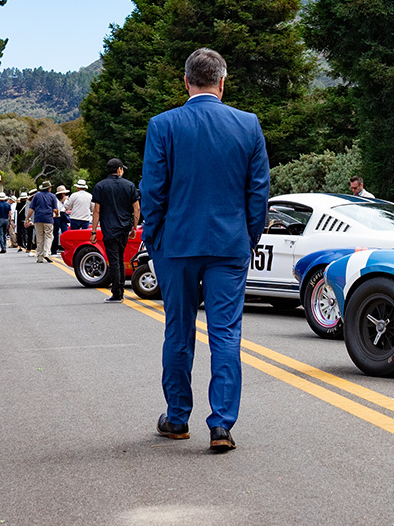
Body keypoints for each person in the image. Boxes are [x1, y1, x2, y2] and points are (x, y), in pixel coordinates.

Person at [141, 48, 269, 452]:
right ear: (222, 81)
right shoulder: (247, 125)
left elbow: (153, 189)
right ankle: (222, 425)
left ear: (186, 81)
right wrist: (246, 238)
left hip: (176, 244)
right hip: (228, 244)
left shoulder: (163, 125)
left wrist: (155, 238)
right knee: (226, 333)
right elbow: (258, 191)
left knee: (178, 330)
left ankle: (178, 418)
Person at [92, 159, 140, 302]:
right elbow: (136, 208)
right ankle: (119, 291)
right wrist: (134, 227)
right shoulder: (129, 185)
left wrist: (93, 231)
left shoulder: (100, 186)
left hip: (109, 228)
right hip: (125, 227)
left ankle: (117, 293)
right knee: (120, 258)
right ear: (119, 169)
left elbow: (96, 211)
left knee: (114, 260)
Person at [28, 181, 58, 264]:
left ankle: (40, 256)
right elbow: (55, 209)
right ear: (49, 188)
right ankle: (46, 253)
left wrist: (27, 219)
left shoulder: (37, 195)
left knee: (39, 237)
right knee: (48, 236)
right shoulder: (52, 196)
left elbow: (31, 208)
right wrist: (56, 214)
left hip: (38, 218)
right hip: (48, 218)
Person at [52, 184, 69, 255]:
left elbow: (67, 208)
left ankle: (67, 248)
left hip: (63, 215)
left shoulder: (65, 200)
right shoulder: (55, 200)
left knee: (65, 232)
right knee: (55, 233)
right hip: (57, 216)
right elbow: (57, 208)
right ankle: (54, 250)